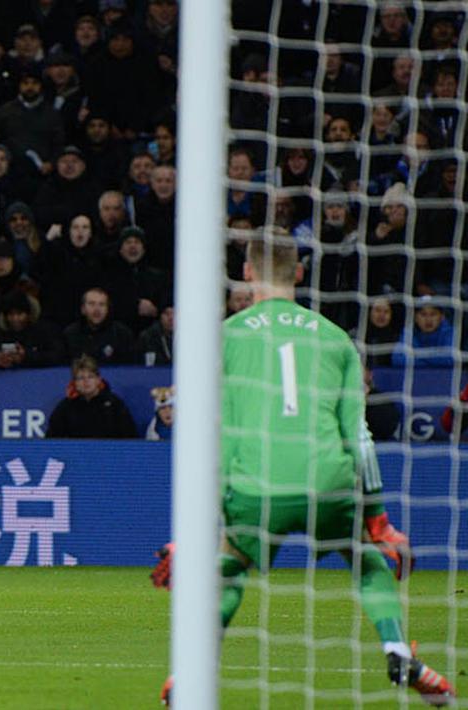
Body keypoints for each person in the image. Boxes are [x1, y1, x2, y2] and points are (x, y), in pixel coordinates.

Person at [153, 238, 453, 706]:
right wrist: (379, 521)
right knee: (367, 560)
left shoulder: (223, 337)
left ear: (246, 273)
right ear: (297, 274)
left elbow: (212, 437)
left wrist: (195, 531)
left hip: (257, 482)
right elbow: (358, 438)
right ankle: (396, 650)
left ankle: (190, 674)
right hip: (327, 478)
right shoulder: (335, 339)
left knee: (229, 566)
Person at [44, 355, 138, 439]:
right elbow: (51, 441)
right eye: (81, 378)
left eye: (90, 377)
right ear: (74, 383)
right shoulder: (65, 408)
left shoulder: (114, 405)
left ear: (98, 380)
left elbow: (130, 437)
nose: (86, 381)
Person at [392, 296, 455, 368]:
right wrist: (435, 359)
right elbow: (397, 360)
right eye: (423, 314)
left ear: (442, 317)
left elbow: (450, 360)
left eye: (433, 314)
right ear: (415, 318)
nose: (428, 320)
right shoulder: (408, 332)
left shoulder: (448, 332)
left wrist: (416, 354)